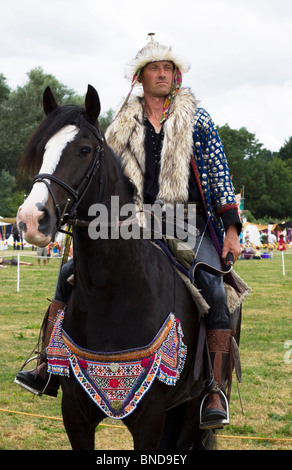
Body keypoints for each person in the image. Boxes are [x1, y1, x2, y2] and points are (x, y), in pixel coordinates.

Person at [15, 37, 242, 430]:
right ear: (140, 77)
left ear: (176, 76)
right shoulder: (121, 123)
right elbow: (106, 176)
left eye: (168, 69)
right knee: (67, 274)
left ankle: (212, 387)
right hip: (132, 218)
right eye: (154, 68)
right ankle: (48, 364)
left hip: (187, 220)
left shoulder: (199, 120)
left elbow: (219, 177)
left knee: (215, 287)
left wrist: (232, 229)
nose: (162, 74)